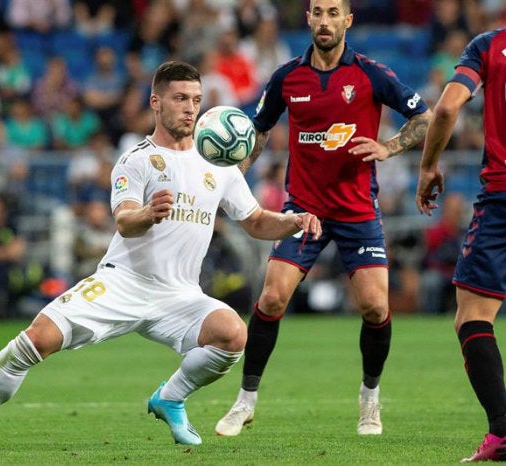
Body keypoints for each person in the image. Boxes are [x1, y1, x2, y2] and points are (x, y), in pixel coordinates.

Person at [0, 60, 321, 449]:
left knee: (233, 335)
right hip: (123, 282)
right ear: (156, 102)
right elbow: (124, 220)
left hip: (179, 294)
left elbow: (254, 221)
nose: (190, 108)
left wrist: (294, 221)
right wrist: (148, 214)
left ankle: (170, 397)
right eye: (180, 98)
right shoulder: (137, 159)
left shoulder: (219, 164)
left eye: (196, 100)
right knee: (35, 340)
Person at [215, 0, 432, 438]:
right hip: (303, 211)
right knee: (273, 297)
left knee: (375, 307)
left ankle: (370, 400)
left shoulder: (371, 73)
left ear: (348, 20)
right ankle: (245, 402)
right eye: (318, 12)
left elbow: (425, 117)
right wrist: (235, 175)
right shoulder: (287, 77)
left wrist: (389, 147)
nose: (325, 20)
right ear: (309, 19)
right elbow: (258, 130)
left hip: (357, 211)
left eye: (334, 12)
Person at [415, 27, 506, 462]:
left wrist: (429, 166)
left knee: (472, 317)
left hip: (503, 197)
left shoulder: (489, 46)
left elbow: (448, 107)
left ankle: (503, 431)